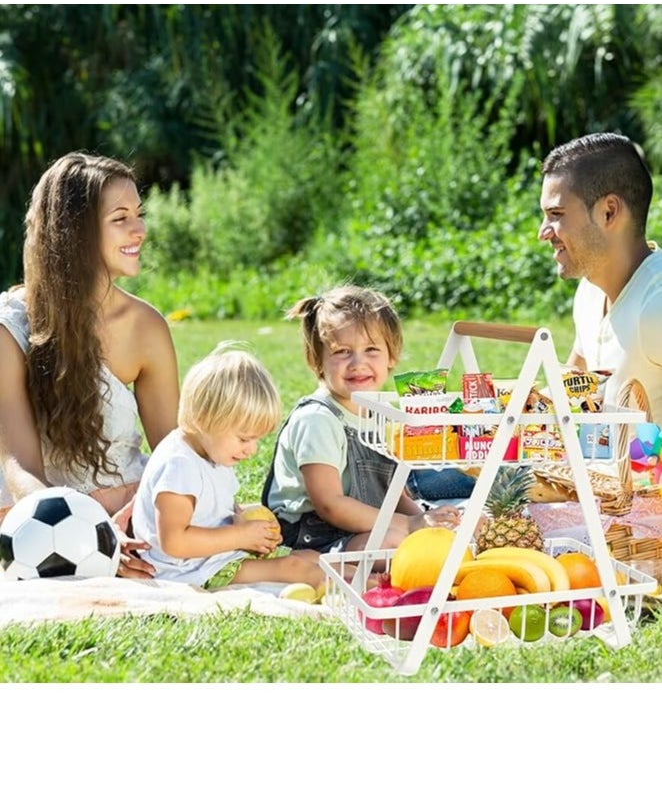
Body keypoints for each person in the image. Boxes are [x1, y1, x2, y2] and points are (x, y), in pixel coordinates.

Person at [0, 151, 180, 578]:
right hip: (33, 504)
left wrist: (127, 520)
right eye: (120, 218)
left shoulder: (146, 327)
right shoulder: (11, 326)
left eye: (139, 214)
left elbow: (174, 454)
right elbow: (19, 465)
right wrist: (86, 536)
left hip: (123, 503)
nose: (140, 229)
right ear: (75, 232)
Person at [261, 284, 470, 555]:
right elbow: (329, 504)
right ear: (317, 360)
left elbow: (394, 494)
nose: (358, 363)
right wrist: (408, 526)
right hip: (311, 535)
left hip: (363, 525)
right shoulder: (317, 419)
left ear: (391, 357)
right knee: (394, 545)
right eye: (341, 351)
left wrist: (424, 521)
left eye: (371, 349)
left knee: (453, 529)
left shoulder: (379, 414)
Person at [131, 341, 325, 591]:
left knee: (307, 557)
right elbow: (174, 541)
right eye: (244, 438)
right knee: (294, 569)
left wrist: (245, 521)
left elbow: (213, 508)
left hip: (211, 558)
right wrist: (242, 536)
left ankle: (372, 579)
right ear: (205, 419)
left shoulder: (211, 450)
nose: (252, 449)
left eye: (257, 439)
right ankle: (364, 593)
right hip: (188, 570)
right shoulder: (178, 466)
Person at [539, 131, 662, 425]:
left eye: (556, 214)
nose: (543, 232)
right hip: (592, 471)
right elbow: (573, 385)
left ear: (609, 212)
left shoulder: (656, 308)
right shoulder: (589, 293)